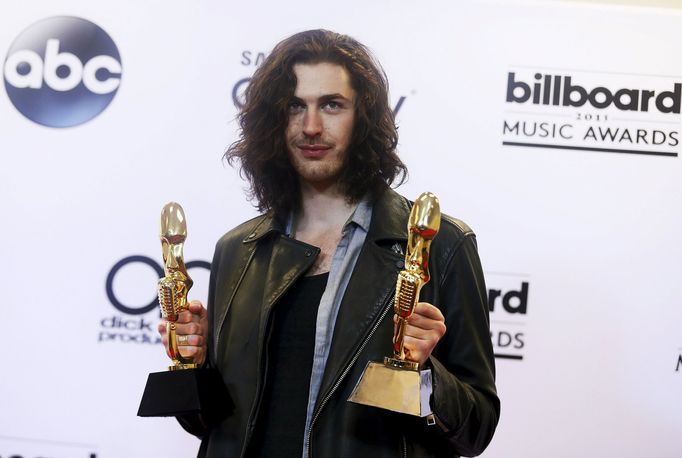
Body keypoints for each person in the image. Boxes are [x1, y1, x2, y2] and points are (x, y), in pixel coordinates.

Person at [158, 29, 499, 458]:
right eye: (294, 106)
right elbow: (211, 428)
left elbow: (477, 429)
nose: (311, 126)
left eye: (332, 105)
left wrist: (422, 373)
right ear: (272, 120)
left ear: (365, 117)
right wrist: (195, 365)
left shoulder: (442, 245)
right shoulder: (239, 249)